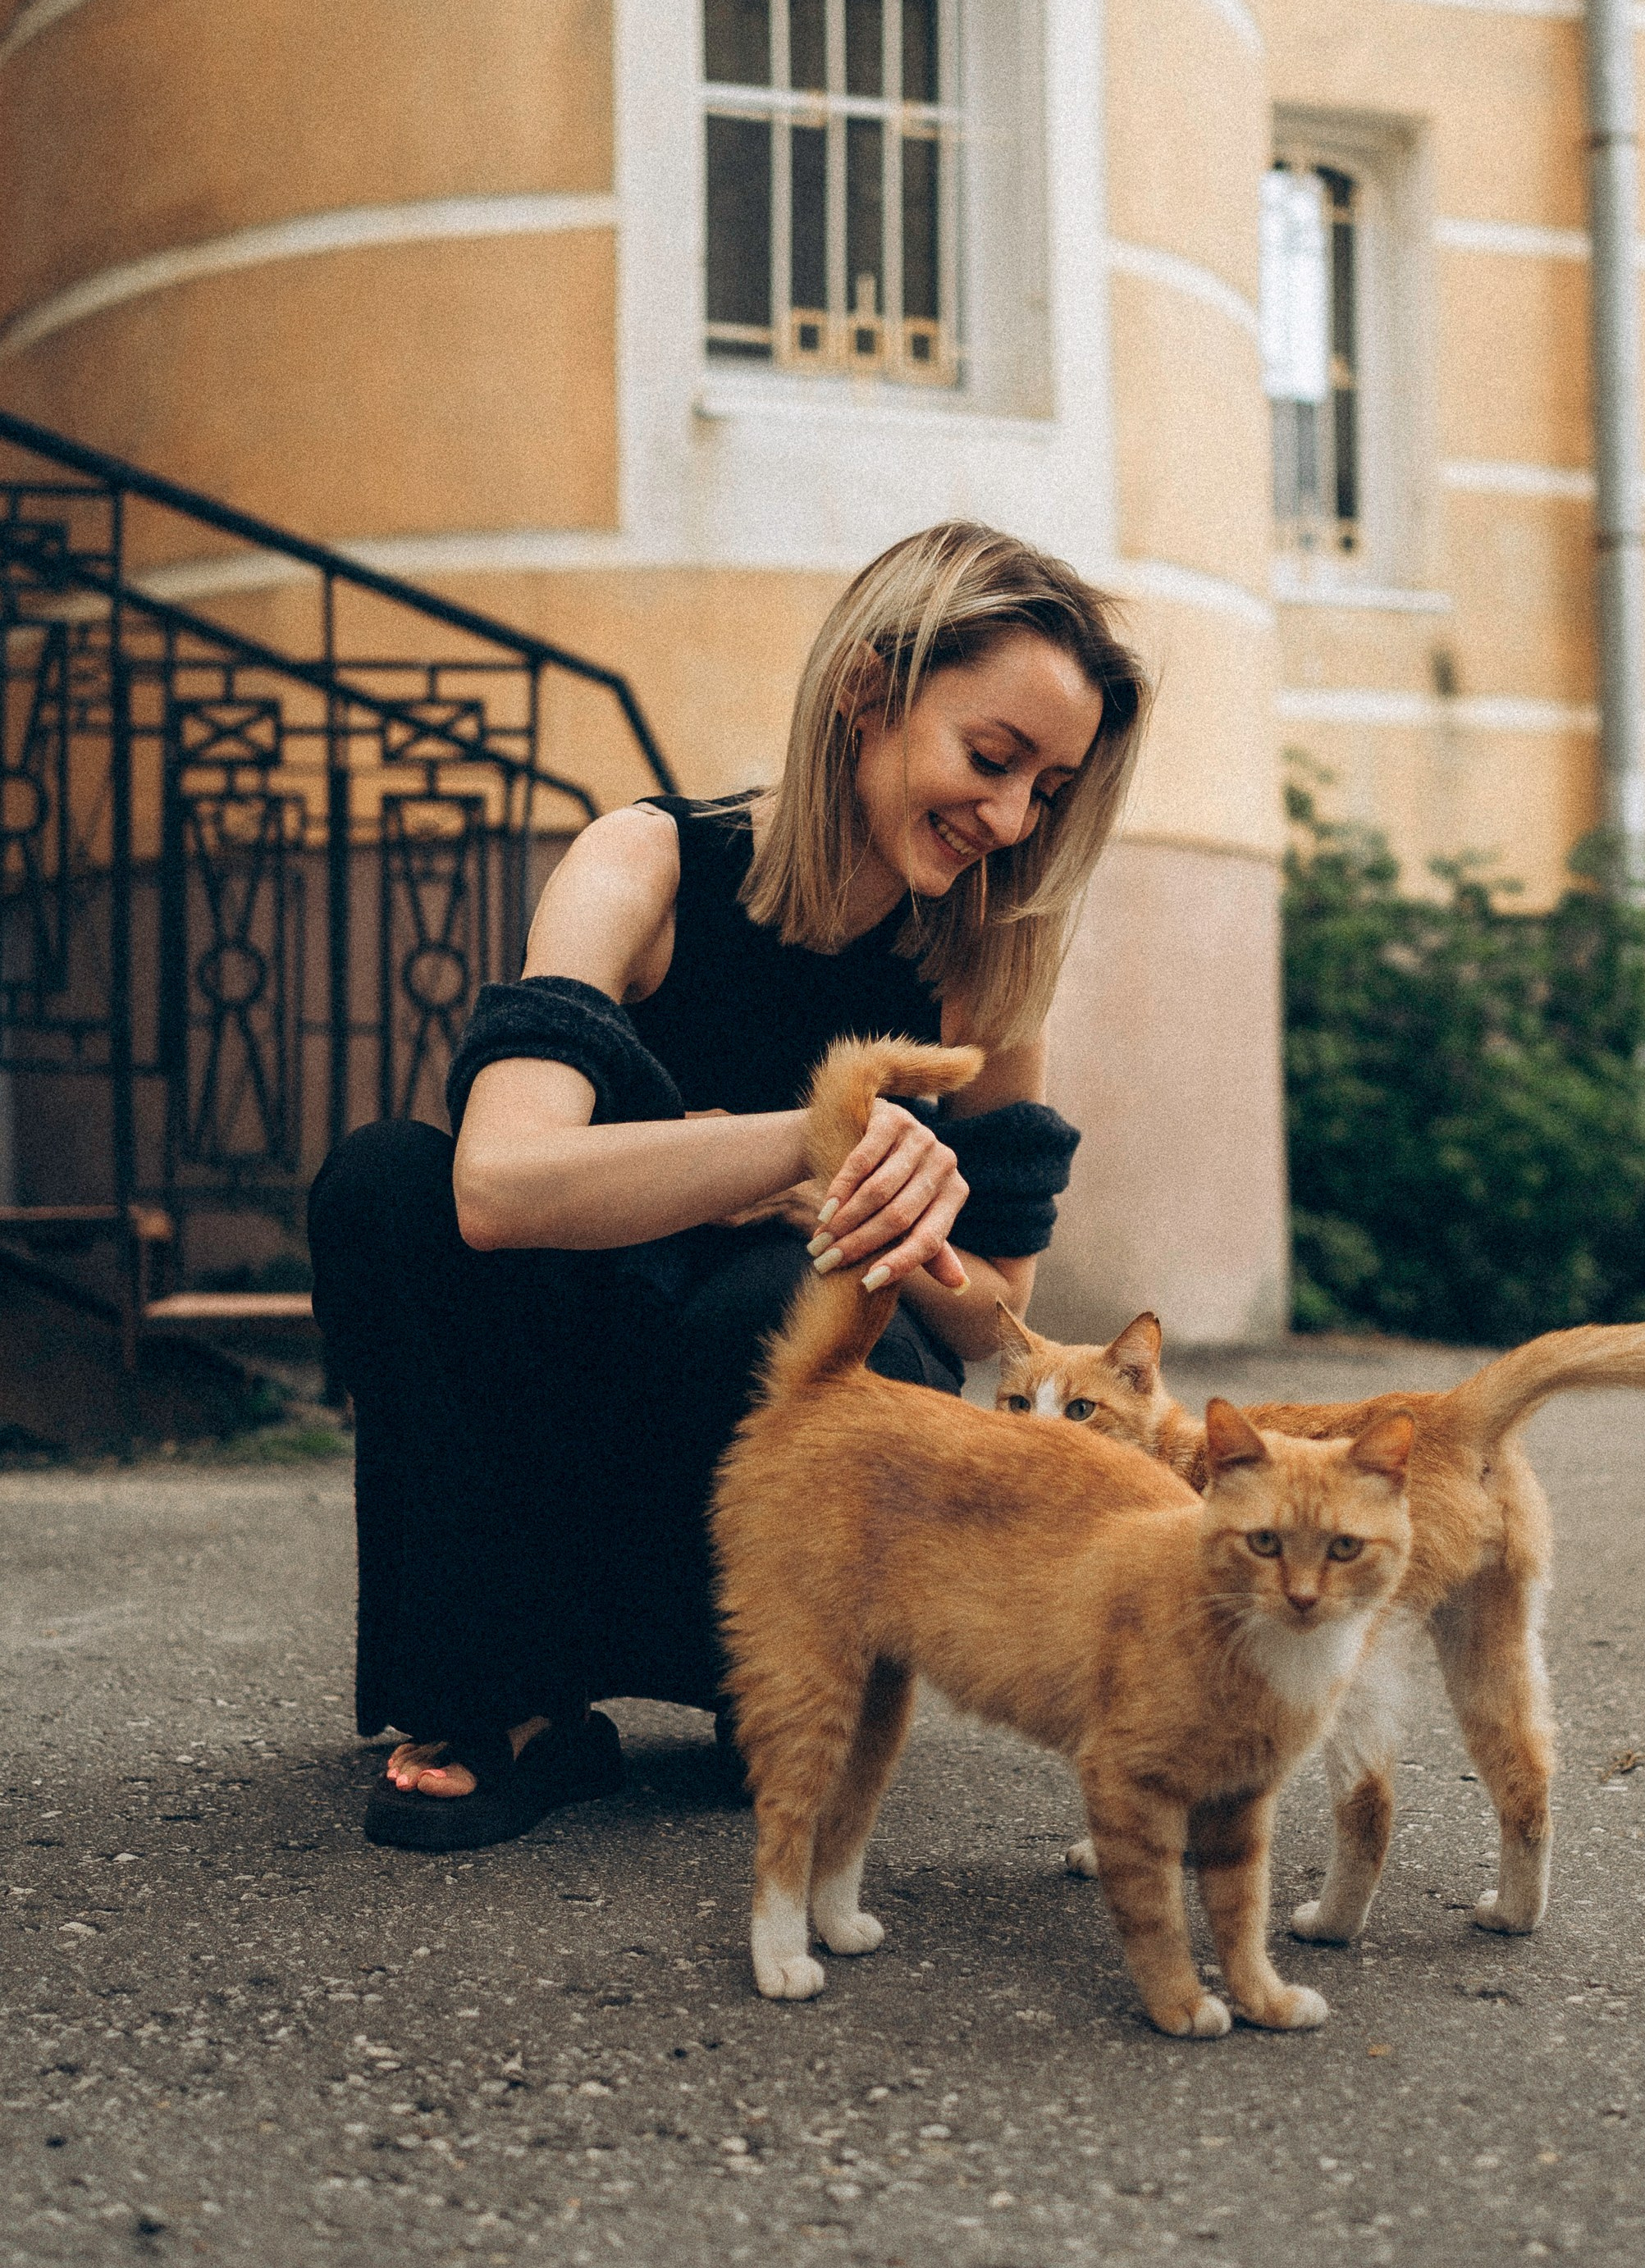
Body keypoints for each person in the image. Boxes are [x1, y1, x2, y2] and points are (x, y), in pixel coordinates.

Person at [308, 523, 1151, 1849]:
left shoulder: (985, 959)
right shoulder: (645, 864)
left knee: (777, 1296)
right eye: (992, 758)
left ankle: (771, 1689)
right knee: (383, 1184)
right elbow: (499, 1184)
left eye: (1047, 789)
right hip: (579, 1391)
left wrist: (905, 1223)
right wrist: (805, 1141)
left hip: (778, 1469)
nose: (1009, 819)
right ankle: (508, 1701)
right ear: (867, 689)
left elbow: (997, 1321)